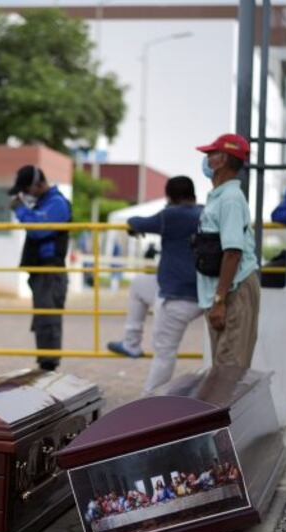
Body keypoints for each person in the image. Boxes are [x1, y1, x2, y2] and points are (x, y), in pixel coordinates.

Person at [108, 176, 204, 394]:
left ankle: (150, 404)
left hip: (177, 296)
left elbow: (136, 222)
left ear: (169, 197)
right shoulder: (205, 212)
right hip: (203, 293)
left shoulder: (170, 215)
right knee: (139, 284)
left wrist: (135, 227)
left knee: (164, 354)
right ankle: (131, 343)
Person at [194, 133, 261, 369]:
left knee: (229, 369)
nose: (207, 159)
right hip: (225, 291)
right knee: (223, 366)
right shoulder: (221, 197)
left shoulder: (230, 199)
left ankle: (229, 408)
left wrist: (220, 301)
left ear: (221, 160)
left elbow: (233, 252)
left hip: (233, 291)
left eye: (211, 154)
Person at [9, 165, 72, 372]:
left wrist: (20, 210)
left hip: (50, 272)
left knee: (48, 320)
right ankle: (45, 365)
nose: (25, 195)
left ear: (38, 184)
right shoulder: (45, 203)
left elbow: (38, 230)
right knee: (43, 320)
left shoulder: (57, 203)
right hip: (42, 273)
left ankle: (48, 367)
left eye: (26, 190)